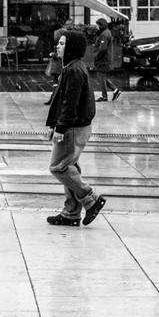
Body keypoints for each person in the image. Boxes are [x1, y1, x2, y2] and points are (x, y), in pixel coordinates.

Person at [45, 30, 106, 228]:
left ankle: (91, 199)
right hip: (75, 125)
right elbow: (61, 101)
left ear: (71, 47)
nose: (58, 46)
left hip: (73, 127)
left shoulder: (73, 70)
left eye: (62, 43)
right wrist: (54, 124)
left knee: (59, 167)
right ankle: (71, 213)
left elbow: (70, 103)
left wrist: (60, 128)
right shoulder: (72, 67)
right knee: (70, 167)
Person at [91, 18, 122, 102]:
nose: (96, 27)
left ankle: (104, 96)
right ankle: (115, 90)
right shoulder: (106, 33)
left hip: (103, 60)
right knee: (102, 77)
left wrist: (97, 56)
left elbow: (103, 49)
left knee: (101, 77)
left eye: (97, 25)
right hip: (105, 59)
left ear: (101, 25)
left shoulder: (104, 35)